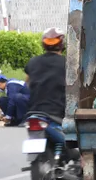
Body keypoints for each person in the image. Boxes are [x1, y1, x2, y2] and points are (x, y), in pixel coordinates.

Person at [25, 27, 68, 155]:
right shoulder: (67, 63)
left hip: (34, 112)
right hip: (57, 113)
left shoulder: (33, 62)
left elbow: (27, 84)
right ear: (62, 44)